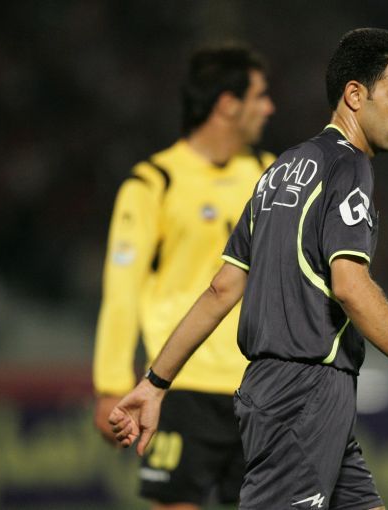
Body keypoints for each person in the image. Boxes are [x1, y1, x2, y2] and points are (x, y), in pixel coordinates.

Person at [109, 28, 388, 510]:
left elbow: (222, 289)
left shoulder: (278, 171)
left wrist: (155, 384)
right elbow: (351, 286)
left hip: (282, 390)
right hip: (303, 393)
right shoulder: (348, 168)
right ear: (355, 95)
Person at [92, 44, 275, 509]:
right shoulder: (154, 183)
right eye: (259, 96)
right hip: (180, 383)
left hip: (261, 385)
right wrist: (111, 386)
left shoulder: (271, 176)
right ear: (228, 104)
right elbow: (121, 291)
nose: (269, 108)